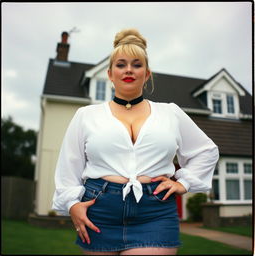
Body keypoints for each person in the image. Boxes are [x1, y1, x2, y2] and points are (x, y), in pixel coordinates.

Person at [52, 28, 219, 255]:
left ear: (147, 73)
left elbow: (206, 151)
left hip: (155, 213)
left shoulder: (171, 113)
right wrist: (72, 204)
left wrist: (183, 182)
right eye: (121, 64)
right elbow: (68, 165)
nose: (129, 69)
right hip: (98, 211)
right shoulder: (85, 115)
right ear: (110, 74)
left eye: (137, 64)